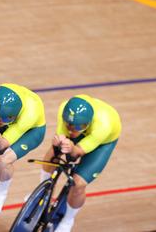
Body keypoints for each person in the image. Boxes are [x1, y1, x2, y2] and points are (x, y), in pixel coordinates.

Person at [41, 95, 121, 232]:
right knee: (55, 151)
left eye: (79, 127)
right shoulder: (64, 109)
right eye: (70, 125)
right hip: (85, 128)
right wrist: (60, 143)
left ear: (88, 123)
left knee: (78, 184)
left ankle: (68, 219)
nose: (73, 130)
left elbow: (77, 152)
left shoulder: (103, 126)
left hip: (102, 142)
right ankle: (43, 191)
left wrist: (71, 148)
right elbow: (61, 139)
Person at [0, 84, 46, 218]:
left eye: (4, 119)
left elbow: (2, 144)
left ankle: (1, 193)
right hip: (8, 117)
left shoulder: (30, 113)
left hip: (30, 131)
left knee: (2, 159)